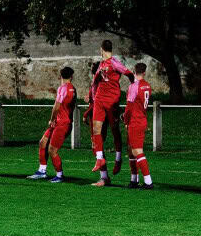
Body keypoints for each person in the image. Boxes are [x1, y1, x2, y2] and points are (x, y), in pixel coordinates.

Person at [88, 40, 135, 187]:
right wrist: (92, 96)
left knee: (115, 130)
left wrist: (132, 92)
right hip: (99, 101)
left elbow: (129, 74)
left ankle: (118, 158)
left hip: (112, 101)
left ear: (101, 49)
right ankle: (102, 171)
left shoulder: (114, 63)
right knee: (96, 131)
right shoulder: (101, 65)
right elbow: (95, 82)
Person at [26, 67, 77, 183]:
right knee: (42, 142)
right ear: (71, 77)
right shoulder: (72, 89)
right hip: (61, 122)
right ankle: (42, 171)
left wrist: (51, 119)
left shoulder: (63, 88)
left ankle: (59, 175)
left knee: (52, 150)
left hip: (61, 123)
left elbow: (56, 107)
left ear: (60, 76)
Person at [123, 63, 153, 189]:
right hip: (141, 119)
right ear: (144, 73)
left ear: (134, 72)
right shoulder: (147, 86)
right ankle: (134, 179)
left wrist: (125, 120)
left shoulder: (134, 87)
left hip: (135, 121)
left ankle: (148, 181)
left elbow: (129, 107)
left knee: (137, 151)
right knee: (131, 150)